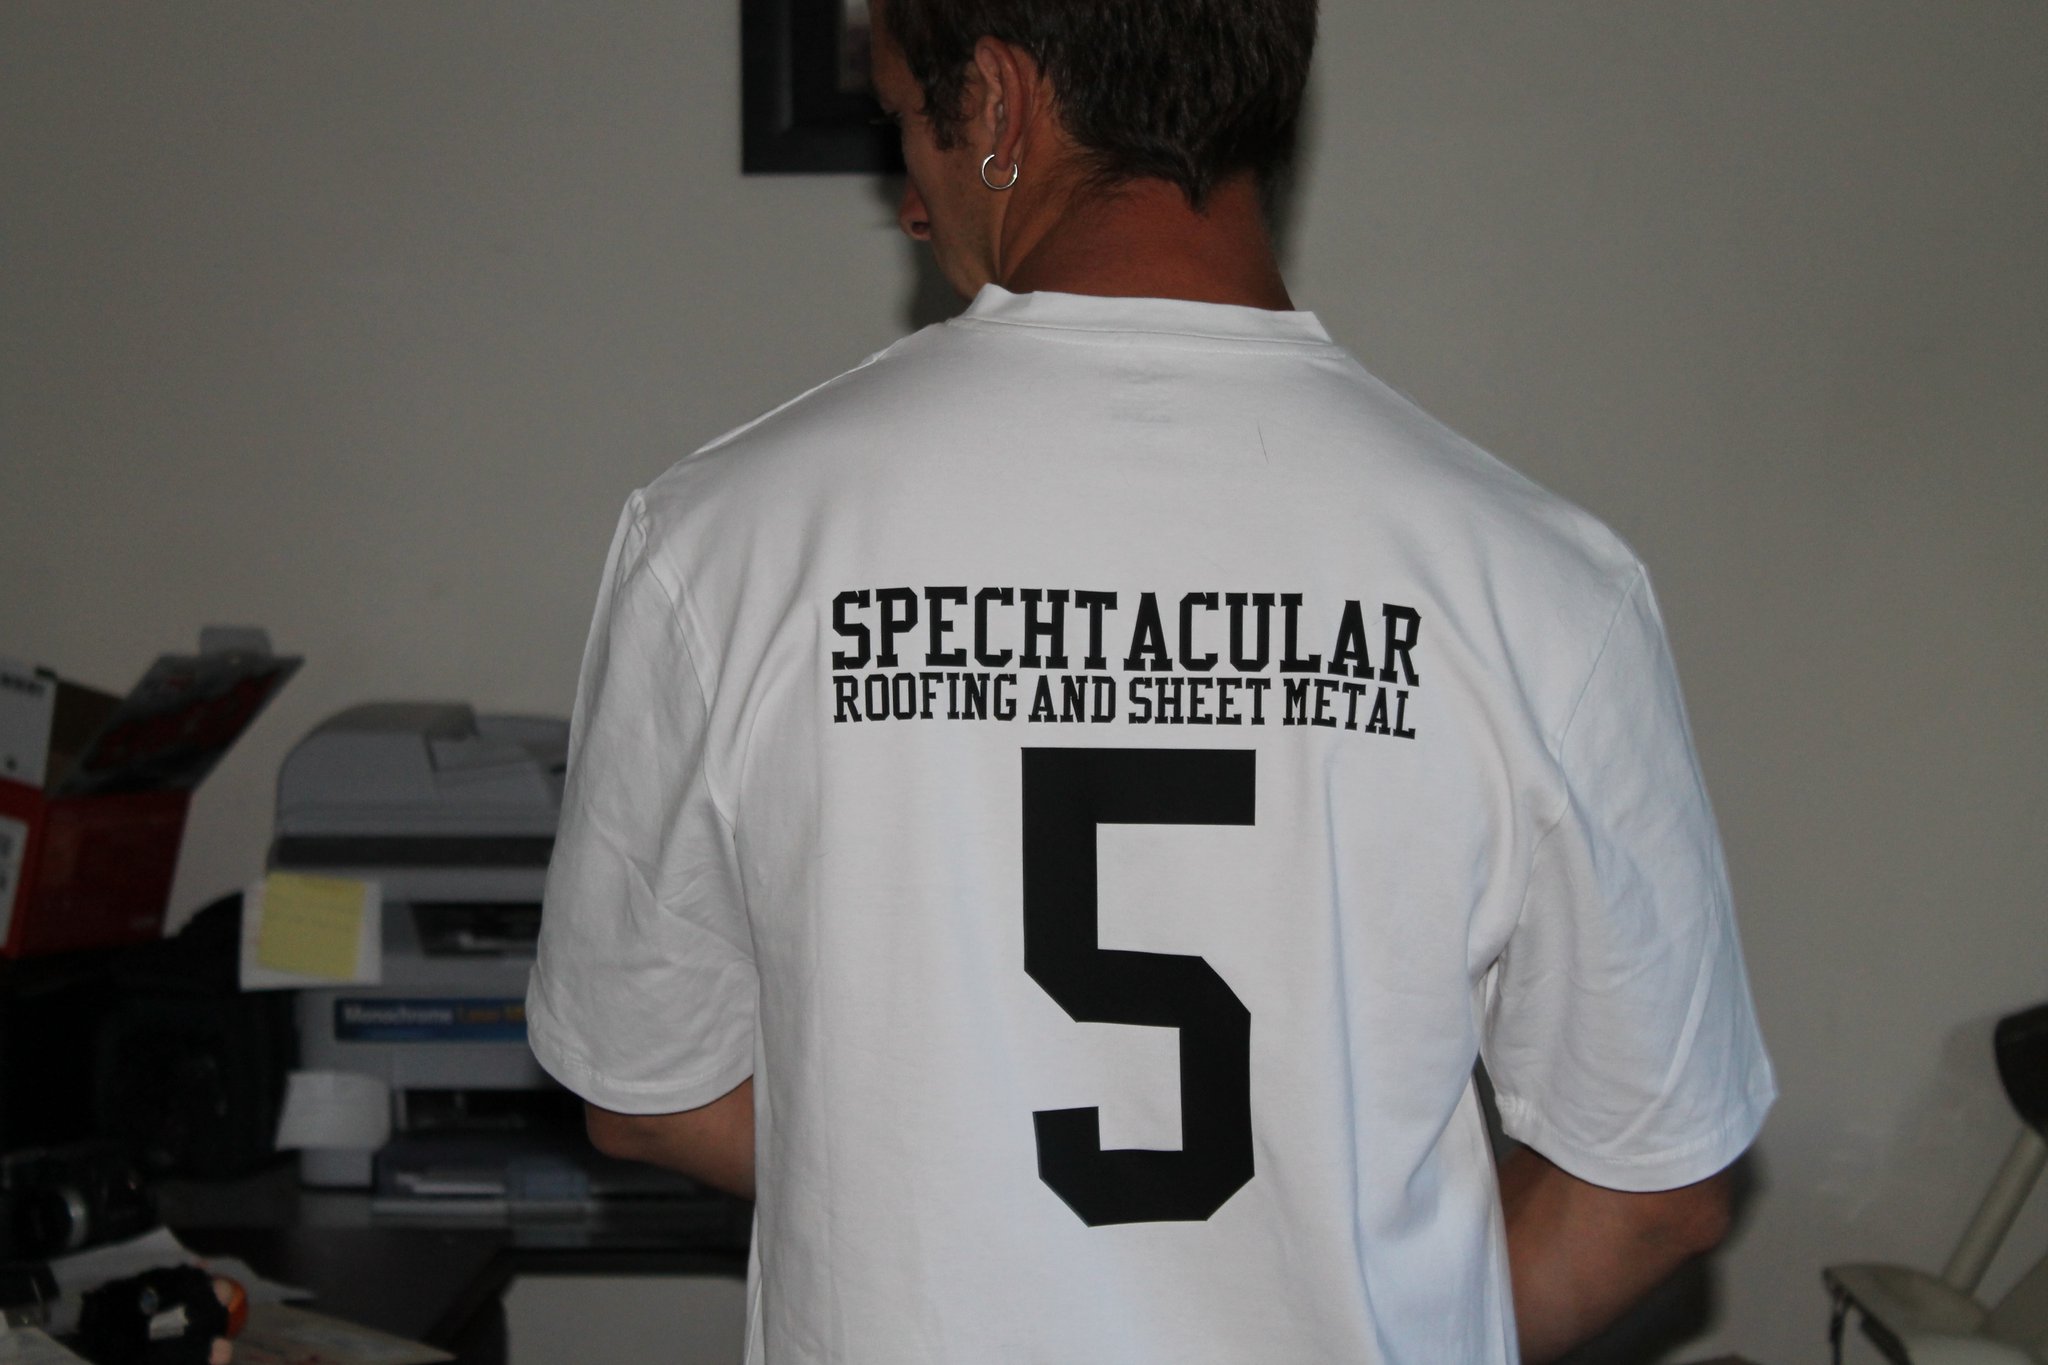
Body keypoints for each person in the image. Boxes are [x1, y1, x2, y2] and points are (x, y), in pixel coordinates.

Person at [525, 1, 1776, 1360]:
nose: (909, 205)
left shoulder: (720, 545)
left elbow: (649, 1091)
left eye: (902, 127)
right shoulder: (1541, 584)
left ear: (997, 102)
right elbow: (1656, 1188)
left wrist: (974, 1197)